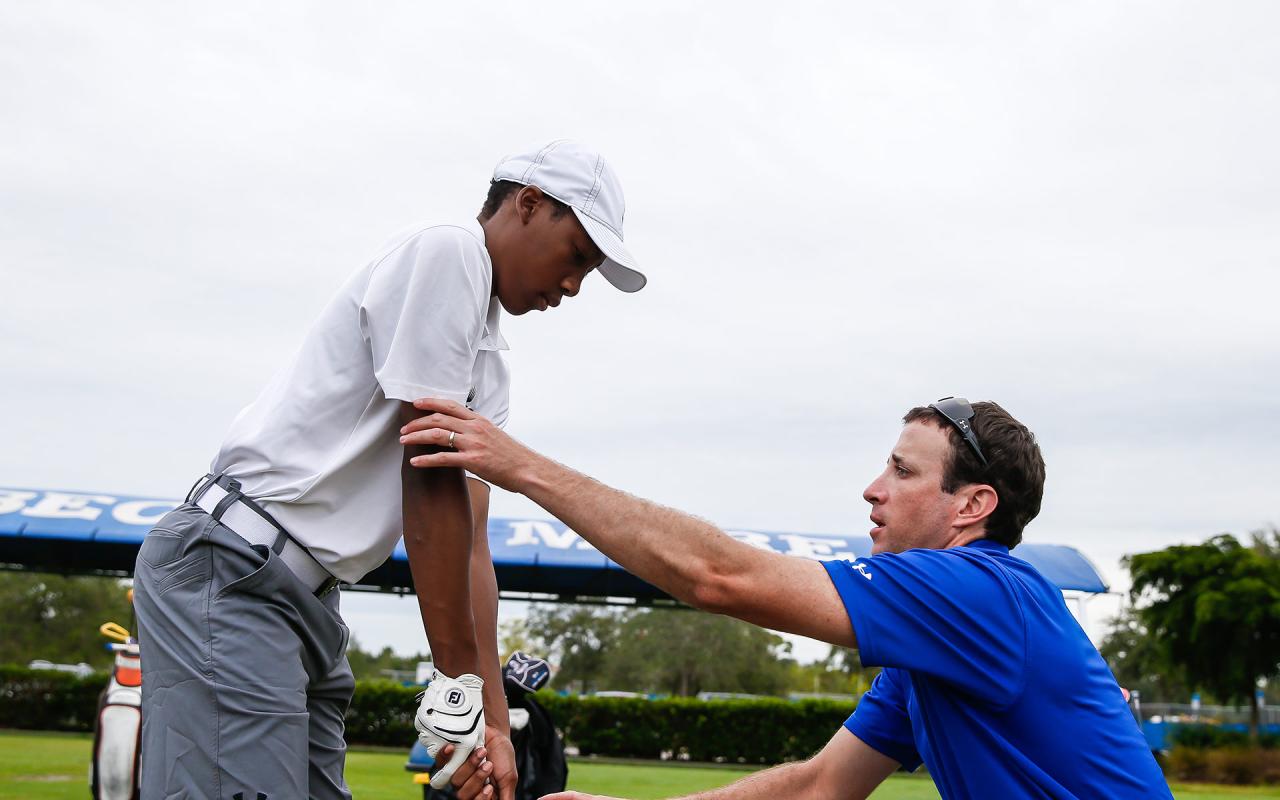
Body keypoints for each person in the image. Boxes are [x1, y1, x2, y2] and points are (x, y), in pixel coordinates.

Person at [132, 140, 645, 800]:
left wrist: (491, 721)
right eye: (577, 255)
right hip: (236, 573)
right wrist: (456, 701)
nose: (575, 284)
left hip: (308, 601)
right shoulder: (451, 248)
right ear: (528, 204)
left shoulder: (490, 371)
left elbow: (471, 551)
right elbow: (428, 476)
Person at [402, 397, 1173, 800]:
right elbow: (817, 786)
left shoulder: (982, 594)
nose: (873, 491)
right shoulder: (936, 650)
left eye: (903, 473)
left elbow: (722, 578)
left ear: (970, 507)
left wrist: (520, 467)